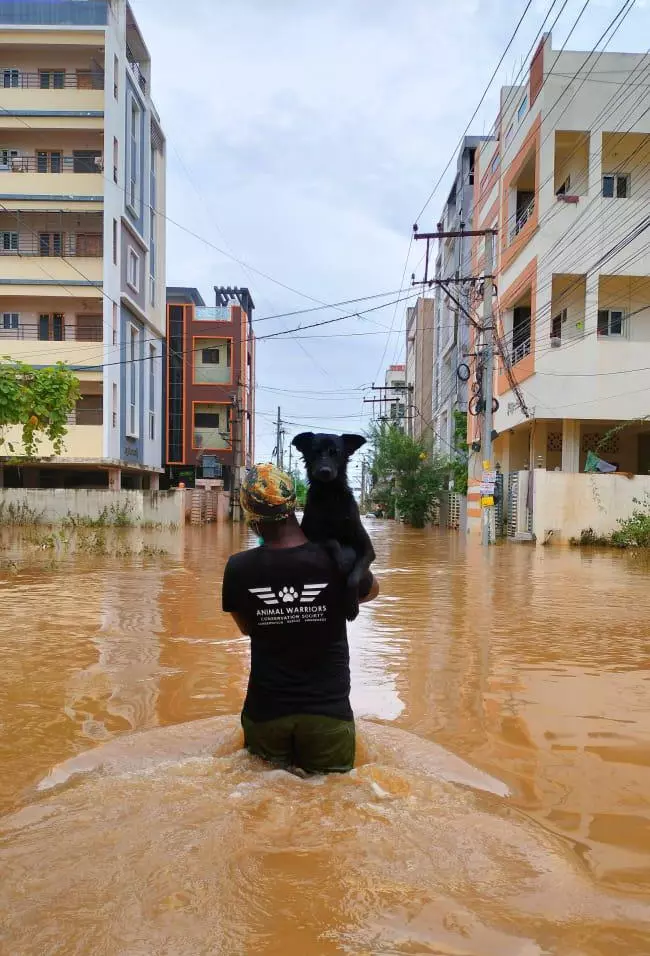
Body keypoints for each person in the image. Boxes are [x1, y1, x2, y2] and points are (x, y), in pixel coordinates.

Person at [222, 463, 379, 774]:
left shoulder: (238, 567)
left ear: (250, 514)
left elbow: (246, 628)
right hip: (328, 713)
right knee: (332, 800)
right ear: (294, 504)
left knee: (262, 799)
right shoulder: (337, 560)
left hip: (267, 712)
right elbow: (372, 591)